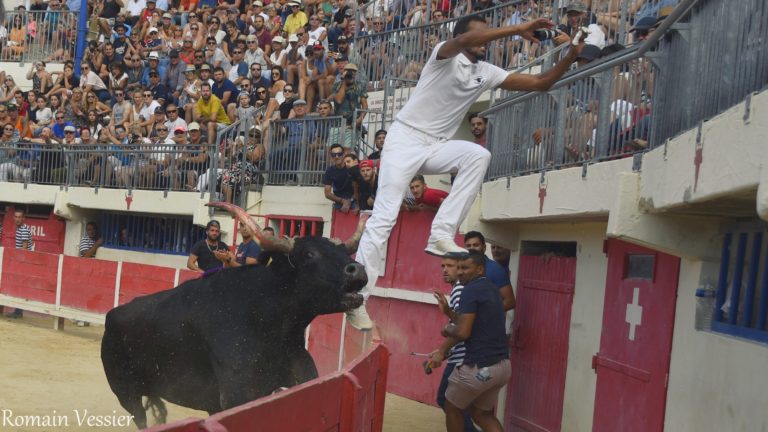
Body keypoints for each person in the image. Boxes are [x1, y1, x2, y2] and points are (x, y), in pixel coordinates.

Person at [347, 15, 584, 329]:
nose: (485, 39)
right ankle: (356, 299)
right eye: (480, 34)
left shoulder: (485, 72)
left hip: (435, 145)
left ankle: (441, 234)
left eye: (488, 33)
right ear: (462, 37)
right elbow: (464, 41)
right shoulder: (443, 57)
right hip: (404, 140)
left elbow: (542, 84)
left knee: (477, 155)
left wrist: (571, 54)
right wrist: (517, 29)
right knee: (384, 217)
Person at [431, 252, 510, 432]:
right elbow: (473, 323)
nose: (459, 273)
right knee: (483, 414)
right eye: (458, 268)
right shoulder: (491, 288)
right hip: (502, 366)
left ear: (480, 269)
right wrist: (450, 313)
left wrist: (447, 331)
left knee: (451, 406)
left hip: (478, 367)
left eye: (465, 268)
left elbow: (463, 331)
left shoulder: (469, 290)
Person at [431, 256, 478, 432]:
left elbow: (462, 328)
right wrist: (448, 311)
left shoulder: (460, 289)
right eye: (443, 266)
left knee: (446, 400)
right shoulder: (462, 289)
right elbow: (461, 323)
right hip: (466, 356)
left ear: (460, 269)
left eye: (450, 266)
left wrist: (442, 352)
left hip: (463, 359)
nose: (445, 270)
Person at [464, 231, 515, 311]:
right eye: (468, 246)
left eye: (476, 245)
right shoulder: (462, 268)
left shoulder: (495, 269)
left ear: (484, 248)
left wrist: (486, 314)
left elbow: (510, 302)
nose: (472, 248)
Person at [7, 209, 34, 318]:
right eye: (16, 217)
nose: (17, 219)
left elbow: (24, 248)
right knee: (19, 286)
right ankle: (18, 311)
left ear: (24, 218)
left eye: (20, 217)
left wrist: (20, 264)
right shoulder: (21, 228)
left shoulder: (23, 229)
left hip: (23, 261)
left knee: (19, 285)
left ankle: (18, 311)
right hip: (22, 261)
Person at [323, 143, 358, 213]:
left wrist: (350, 201)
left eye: (339, 154)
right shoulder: (329, 171)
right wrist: (342, 201)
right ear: (331, 156)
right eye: (334, 155)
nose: (337, 157)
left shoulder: (351, 167)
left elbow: (358, 188)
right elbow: (327, 193)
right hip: (339, 202)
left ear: (343, 155)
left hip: (355, 200)